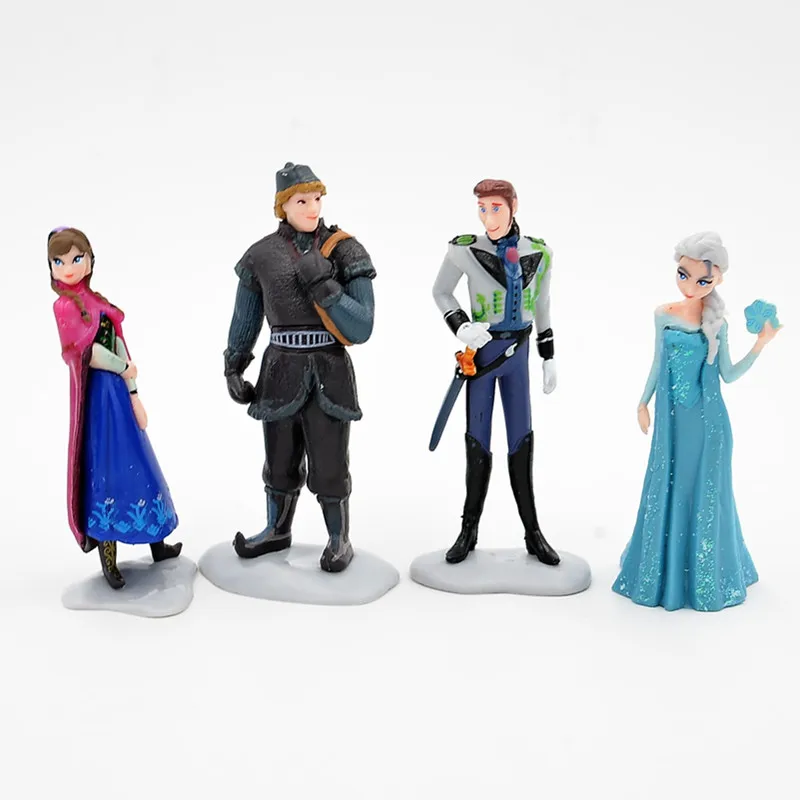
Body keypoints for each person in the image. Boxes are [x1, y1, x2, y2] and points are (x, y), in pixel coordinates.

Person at [613, 231, 781, 611]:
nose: (690, 287)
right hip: (672, 424)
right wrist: (642, 402)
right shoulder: (663, 314)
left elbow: (728, 375)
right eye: (683, 275)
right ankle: (662, 570)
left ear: (718, 278)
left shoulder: (718, 324)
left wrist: (760, 344)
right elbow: (657, 363)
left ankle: (706, 573)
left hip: (709, 425)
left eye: (703, 281)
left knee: (706, 493)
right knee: (667, 486)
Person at [223, 162, 376, 573]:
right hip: (279, 372)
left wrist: (327, 290)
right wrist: (234, 365)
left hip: (329, 370)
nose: (312, 208)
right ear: (283, 206)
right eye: (302, 201)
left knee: (330, 463)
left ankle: (338, 537)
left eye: (317, 199)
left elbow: (363, 326)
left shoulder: (345, 250)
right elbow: (245, 316)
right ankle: (277, 529)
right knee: (279, 460)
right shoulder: (261, 255)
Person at [431, 179, 560, 565]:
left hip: (519, 356)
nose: (488, 217)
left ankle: (533, 533)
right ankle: (468, 530)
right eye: (482, 208)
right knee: (477, 442)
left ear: (513, 206)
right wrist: (460, 326)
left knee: (521, 441)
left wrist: (548, 355)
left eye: (496, 208)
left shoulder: (540, 252)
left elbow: (543, 305)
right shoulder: (465, 250)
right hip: (483, 356)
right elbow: (440, 291)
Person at [50, 227, 181, 590]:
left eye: (76, 259)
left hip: (119, 395)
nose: (68, 268)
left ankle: (158, 544)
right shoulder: (65, 306)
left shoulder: (98, 301)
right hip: (98, 400)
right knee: (106, 471)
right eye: (59, 261)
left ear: (90, 260)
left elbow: (119, 342)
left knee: (140, 463)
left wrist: (133, 390)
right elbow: (85, 353)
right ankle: (109, 561)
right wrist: (124, 369)